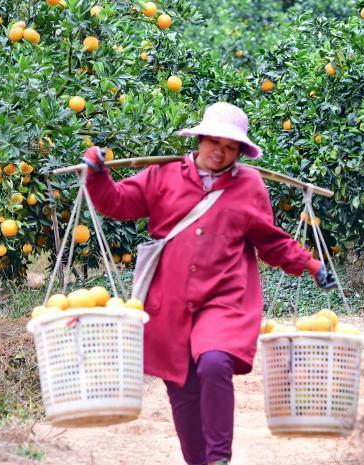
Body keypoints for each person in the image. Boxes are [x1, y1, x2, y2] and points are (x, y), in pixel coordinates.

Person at [82, 102, 337, 465]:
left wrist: (311, 264)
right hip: (169, 302)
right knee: (182, 391)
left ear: (239, 152)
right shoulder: (163, 176)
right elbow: (118, 203)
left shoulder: (248, 185)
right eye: (213, 142)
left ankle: (219, 458)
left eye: (230, 147)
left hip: (225, 298)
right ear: (199, 139)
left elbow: (270, 240)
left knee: (215, 363)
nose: (219, 151)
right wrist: (96, 174)